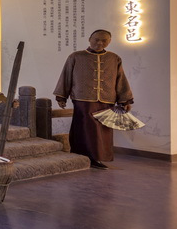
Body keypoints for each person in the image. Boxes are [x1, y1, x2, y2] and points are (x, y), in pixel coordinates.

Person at [54, 29, 134, 170]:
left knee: (104, 130)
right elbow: (66, 76)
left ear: (109, 42)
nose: (100, 43)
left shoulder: (114, 58)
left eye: (104, 41)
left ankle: (99, 157)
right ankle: (86, 157)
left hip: (107, 100)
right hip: (83, 99)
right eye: (97, 39)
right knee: (86, 128)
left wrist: (125, 100)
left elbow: (121, 79)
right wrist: (61, 96)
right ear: (90, 39)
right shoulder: (76, 56)